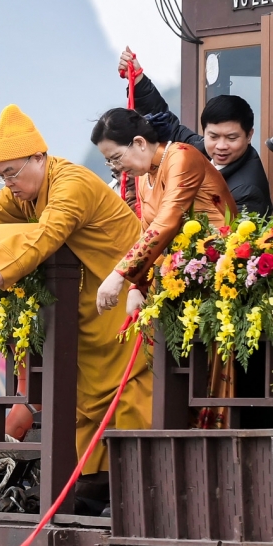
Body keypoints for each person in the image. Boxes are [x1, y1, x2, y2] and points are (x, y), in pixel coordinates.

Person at [0, 104, 152, 500]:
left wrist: (1, 275)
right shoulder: (25, 192)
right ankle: (93, 475)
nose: (8, 183)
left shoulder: (68, 185)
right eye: (1, 175)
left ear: (39, 157)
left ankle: (132, 479)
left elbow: (46, 237)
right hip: (90, 302)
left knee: (127, 384)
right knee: (83, 391)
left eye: (13, 172)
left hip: (127, 291)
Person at [92, 108, 238, 431]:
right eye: (111, 164)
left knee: (205, 374)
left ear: (140, 143)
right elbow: (148, 235)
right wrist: (136, 287)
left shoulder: (181, 158)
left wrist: (119, 276)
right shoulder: (146, 179)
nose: (117, 169)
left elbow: (167, 222)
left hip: (219, 277)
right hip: (181, 279)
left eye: (116, 159)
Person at [118, 48, 271, 216]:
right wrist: (138, 78)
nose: (221, 146)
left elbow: (230, 240)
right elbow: (168, 126)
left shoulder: (248, 191)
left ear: (249, 135)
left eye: (231, 138)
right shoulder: (200, 150)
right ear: (204, 132)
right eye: (213, 136)